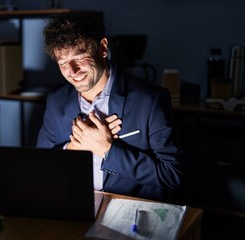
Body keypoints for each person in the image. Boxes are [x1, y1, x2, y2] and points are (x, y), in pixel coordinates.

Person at [36, 11, 183, 202]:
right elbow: (40, 166)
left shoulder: (149, 100)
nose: (72, 71)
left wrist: (107, 149)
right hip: (73, 205)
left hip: (129, 212)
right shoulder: (56, 101)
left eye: (79, 58)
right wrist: (72, 148)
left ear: (103, 48)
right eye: (62, 63)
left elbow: (172, 175)